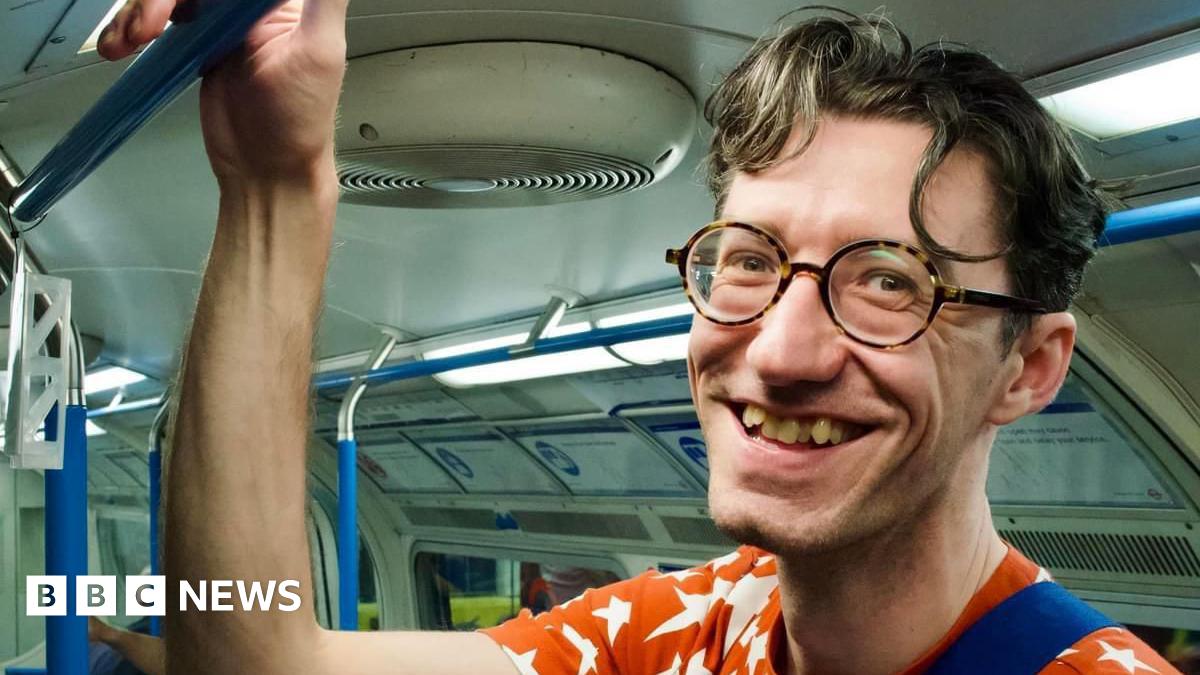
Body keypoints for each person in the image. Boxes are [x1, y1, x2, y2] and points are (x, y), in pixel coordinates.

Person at [97, 1, 1179, 673]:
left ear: (1029, 367)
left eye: (890, 281)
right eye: (751, 259)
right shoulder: (690, 632)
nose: (784, 350)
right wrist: (273, 187)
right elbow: (250, 655)